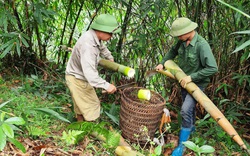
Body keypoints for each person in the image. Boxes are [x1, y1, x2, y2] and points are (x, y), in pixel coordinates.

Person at [155, 17, 218, 156]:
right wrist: (162, 62)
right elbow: (172, 52)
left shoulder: (202, 45)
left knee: (185, 110)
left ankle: (183, 145)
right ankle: (192, 131)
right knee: (189, 108)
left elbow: (213, 68)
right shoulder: (182, 41)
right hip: (183, 80)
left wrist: (192, 77)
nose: (178, 37)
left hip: (197, 84)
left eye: (179, 34)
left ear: (189, 31)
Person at [65, 14, 121, 122]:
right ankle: (91, 130)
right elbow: (90, 74)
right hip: (77, 78)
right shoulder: (88, 46)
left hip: (76, 75)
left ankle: (80, 127)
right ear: (101, 30)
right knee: (92, 105)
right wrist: (106, 85)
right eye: (110, 33)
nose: (111, 36)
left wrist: (109, 57)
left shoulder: (93, 36)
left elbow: (102, 47)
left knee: (80, 104)